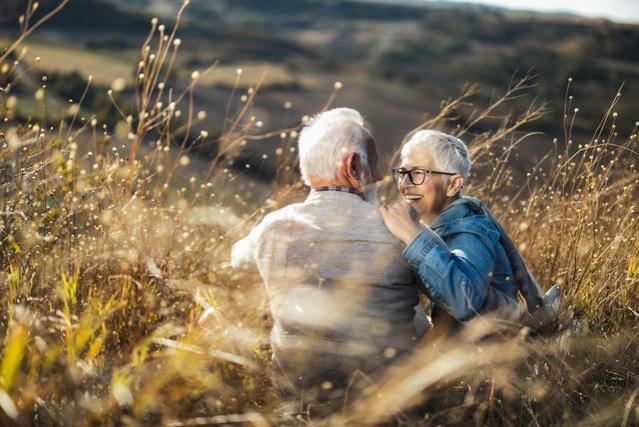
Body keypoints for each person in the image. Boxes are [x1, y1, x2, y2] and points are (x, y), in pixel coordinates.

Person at [231, 108, 423, 399]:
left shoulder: (273, 227)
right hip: (385, 402)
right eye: (376, 163)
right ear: (354, 166)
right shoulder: (403, 231)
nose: (383, 176)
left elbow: (237, 262)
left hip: (295, 399)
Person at [379, 130, 560, 337]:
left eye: (418, 173)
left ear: (454, 184)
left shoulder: (468, 231)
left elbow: (466, 303)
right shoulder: (441, 225)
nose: (404, 184)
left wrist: (413, 238)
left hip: (488, 361)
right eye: (402, 173)